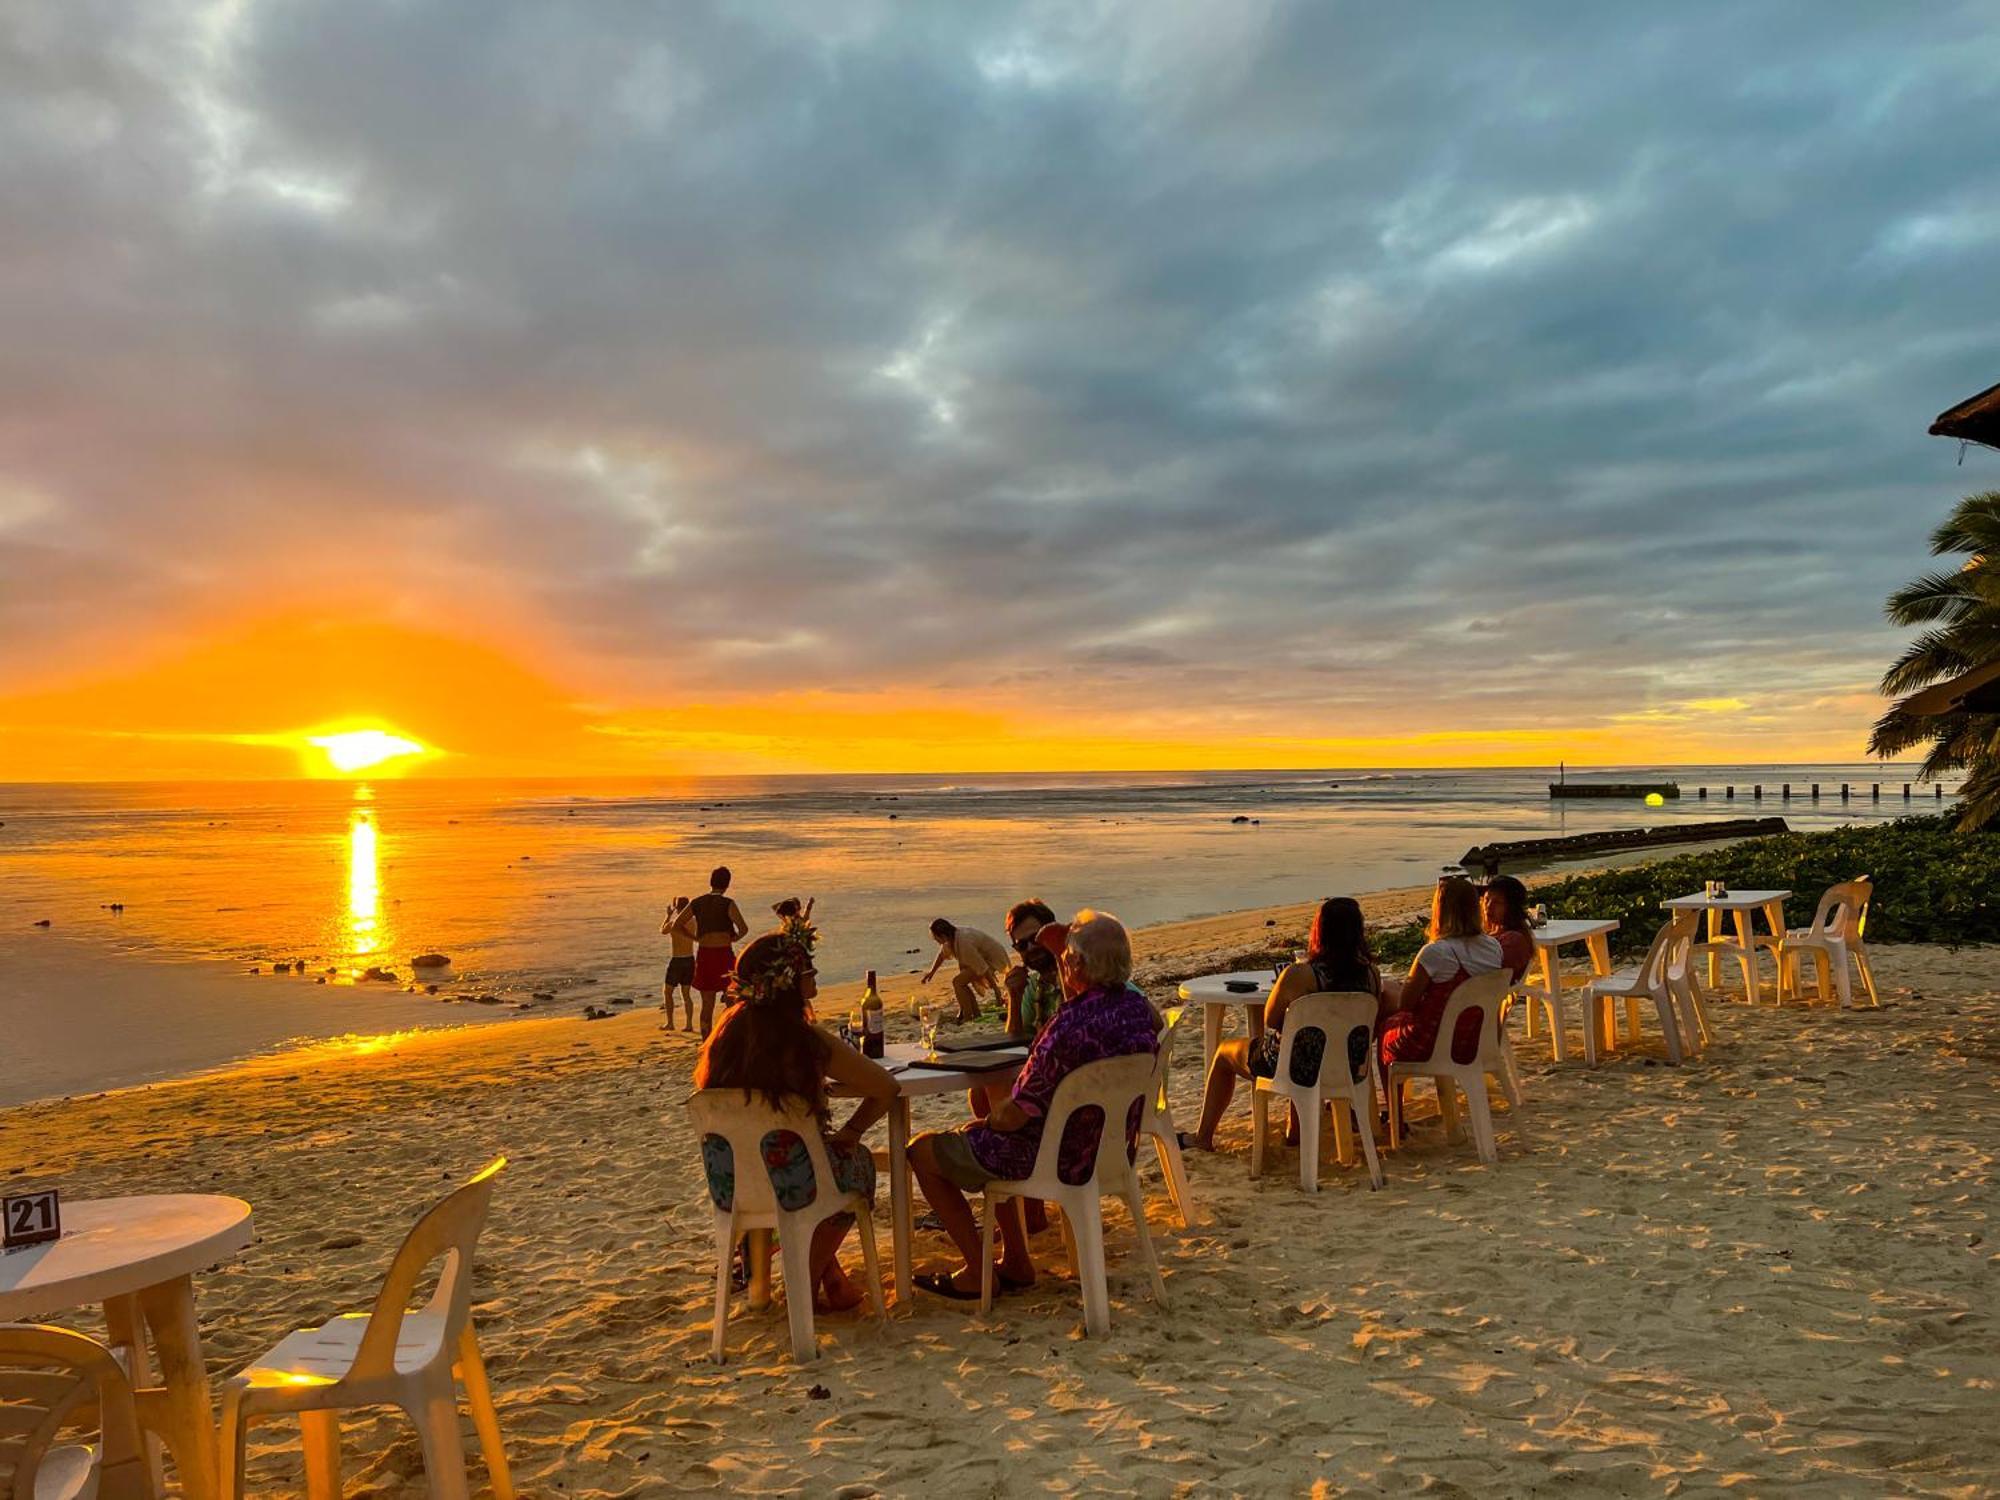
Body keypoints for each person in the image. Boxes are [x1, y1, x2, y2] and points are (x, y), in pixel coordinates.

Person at [907, 910, 1160, 1300]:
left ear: (1075, 964)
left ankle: (980, 1271)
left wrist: (983, 1123)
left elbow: (1012, 1117)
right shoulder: (1140, 1012)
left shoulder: (1067, 1028)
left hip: (1050, 1158)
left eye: (1066, 958)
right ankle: (1014, 1263)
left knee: (922, 1150)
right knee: (989, 1130)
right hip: (1109, 1151)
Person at [694, 931, 897, 1312]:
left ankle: (826, 1278)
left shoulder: (723, 1039)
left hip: (737, 1184)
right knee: (857, 1166)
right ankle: (807, 1277)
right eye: (810, 970)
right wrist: (852, 1132)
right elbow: (885, 1087)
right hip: (797, 1184)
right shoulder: (804, 1040)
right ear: (789, 981)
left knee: (806, 1160)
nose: (816, 976)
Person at [1190, 896, 1384, 1150]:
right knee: (1302, 1042)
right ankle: (1296, 1131)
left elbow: (1270, 1019)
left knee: (1224, 1054)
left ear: (1320, 930)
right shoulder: (1372, 974)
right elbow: (1370, 1027)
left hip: (1299, 1068)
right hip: (1347, 1066)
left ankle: (1203, 1137)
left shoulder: (1300, 974)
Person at [1378, 875, 1507, 1075]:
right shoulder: (1493, 947)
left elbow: (1406, 1004)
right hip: (1475, 1040)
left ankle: (1394, 1104)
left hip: (1436, 1043)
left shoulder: (1436, 952)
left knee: (1386, 1025)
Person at [675, 867, 749, 1037]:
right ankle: (729, 1037)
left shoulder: (697, 902)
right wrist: (734, 938)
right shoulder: (728, 903)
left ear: (711, 882)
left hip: (705, 954)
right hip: (723, 953)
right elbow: (743, 929)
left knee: (707, 1003)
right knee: (732, 1001)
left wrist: (694, 938)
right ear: (727, 884)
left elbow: (676, 925)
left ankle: (706, 1044)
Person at [921, 917, 1011, 1022]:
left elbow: (982, 966)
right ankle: (974, 1013)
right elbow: (942, 955)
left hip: (993, 958)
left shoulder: (963, 942)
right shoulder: (951, 937)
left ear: (943, 936)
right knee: (960, 982)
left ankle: (968, 1016)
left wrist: (996, 990)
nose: (935, 940)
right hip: (983, 957)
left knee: (958, 982)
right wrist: (932, 972)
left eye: (936, 938)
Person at [1002, 898, 1059, 1036]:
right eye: (1022, 945)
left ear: (1054, 932)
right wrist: (1014, 998)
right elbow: (1015, 1041)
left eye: (1036, 938)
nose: (1031, 948)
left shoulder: (1084, 975)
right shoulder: (1033, 986)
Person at [1482, 875, 1537, 983]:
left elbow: (1489, 972)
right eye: (1486, 899)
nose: (1488, 906)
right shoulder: (1493, 933)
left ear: (1511, 908)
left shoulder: (1513, 940)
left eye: (1497, 902)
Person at [660, 894, 696, 1030]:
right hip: (690, 959)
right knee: (686, 994)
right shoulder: (694, 921)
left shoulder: (674, 923)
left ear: (676, 908)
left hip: (677, 960)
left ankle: (670, 1023)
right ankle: (689, 1024)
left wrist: (668, 915)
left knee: (667, 991)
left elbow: (663, 931)